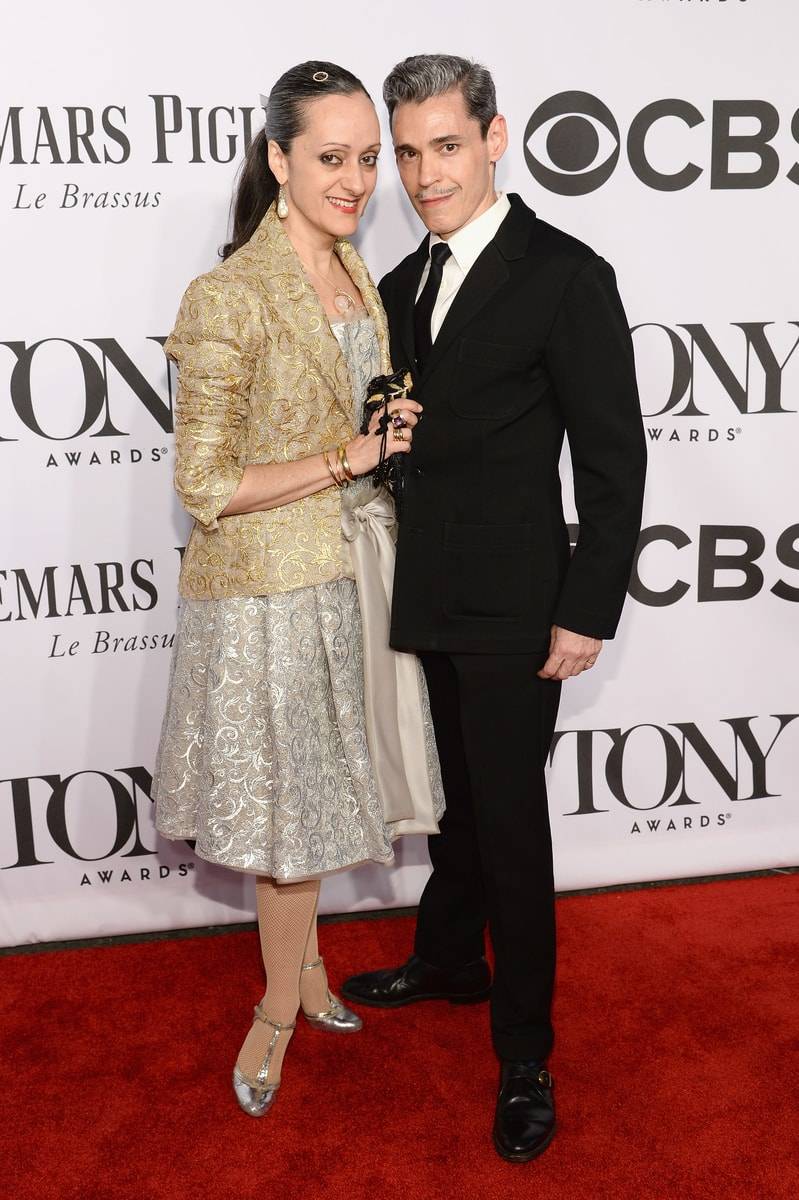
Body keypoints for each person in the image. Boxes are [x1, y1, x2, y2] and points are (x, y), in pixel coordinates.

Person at [342, 55, 647, 1162]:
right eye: (408, 152)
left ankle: (524, 1054)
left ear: (496, 138)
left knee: (510, 830)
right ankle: (449, 961)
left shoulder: (564, 273)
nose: (425, 174)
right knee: (457, 800)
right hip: (424, 591)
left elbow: (615, 459)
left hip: (520, 604)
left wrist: (587, 609)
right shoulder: (404, 279)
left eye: (446, 147)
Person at [152, 61, 444, 1120]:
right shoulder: (229, 293)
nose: (360, 181)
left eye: (370, 159)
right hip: (272, 592)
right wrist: (347, 458)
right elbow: (205, 484)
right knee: (289, 816)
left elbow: (362, 415)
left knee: (325, 799)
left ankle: (311, 975)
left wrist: (388, 440)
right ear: (278, 160)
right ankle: (277, 1008)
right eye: (333, 158)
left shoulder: (358, 274)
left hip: (358, 571)